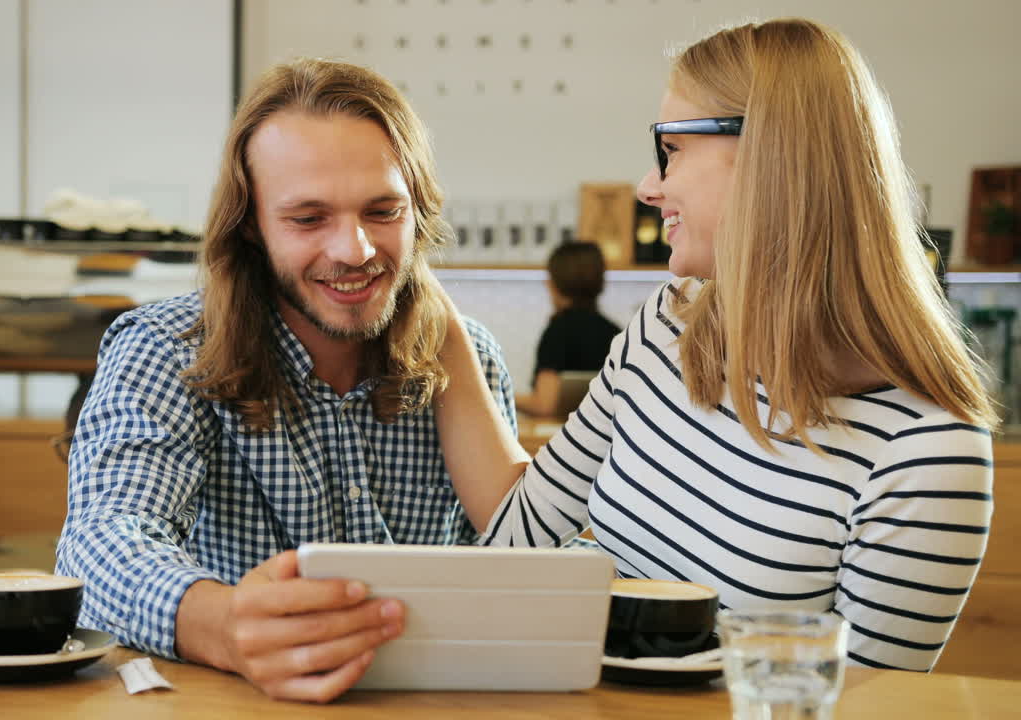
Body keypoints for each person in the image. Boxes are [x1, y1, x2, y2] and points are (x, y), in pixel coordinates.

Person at [433, 18, 994, 673]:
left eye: (670, 148)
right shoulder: (663, 329)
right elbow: (516, 541)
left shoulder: (927, 451)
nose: (649, 186)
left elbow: (864, 706)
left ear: (769, 158)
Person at [55, 58, 514, 702]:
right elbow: (100, 547)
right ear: (251, 224)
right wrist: (224, 625)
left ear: (418, 210)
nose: (353, 250)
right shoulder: (166, 350)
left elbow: (516, 565)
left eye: (383, 211)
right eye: (307, 219)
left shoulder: (472, 362)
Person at [515, 241, 620, 416]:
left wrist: (499, 394)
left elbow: (545, 405)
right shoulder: (616, 332)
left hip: (562, 436)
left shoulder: (557, 331)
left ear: (555, 283)